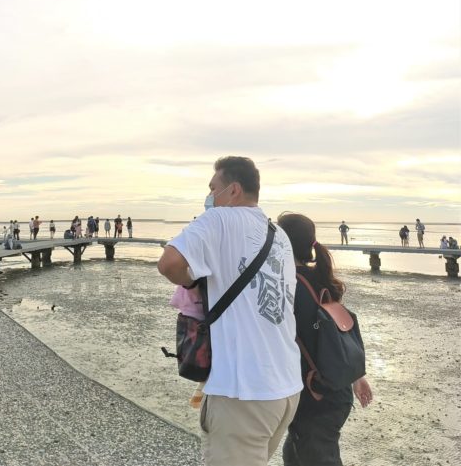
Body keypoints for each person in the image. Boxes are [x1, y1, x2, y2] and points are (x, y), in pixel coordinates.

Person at [155, 156, 300, 466]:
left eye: (213, 188)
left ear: (233, 190)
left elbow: (169, 263)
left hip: (243, 394)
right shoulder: (279, 235)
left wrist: (190, 280)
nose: (209, 197)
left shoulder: (218, 220)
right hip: (285, 388)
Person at [276, 213, 373, 466]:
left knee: (313, 455)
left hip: (315, 395)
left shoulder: (286, 284)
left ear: (281, 243)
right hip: (331, 388)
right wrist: (356, 377)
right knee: (296, 452)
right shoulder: (318, 277)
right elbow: (334, 333)